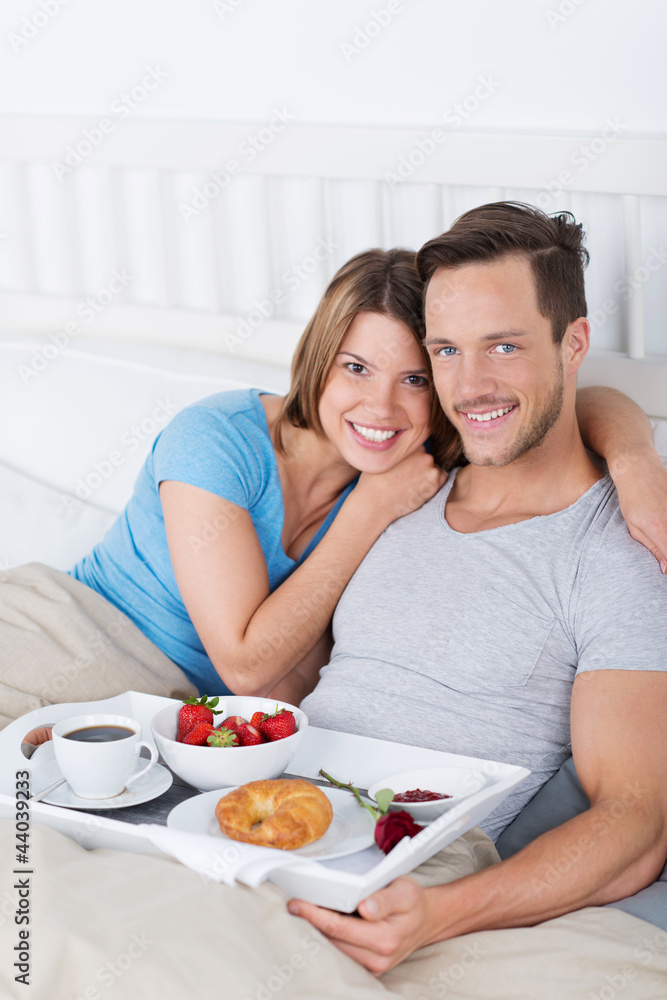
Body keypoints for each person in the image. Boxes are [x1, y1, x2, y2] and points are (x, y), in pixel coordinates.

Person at [1, 245, 664, 728]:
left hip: (152, 714)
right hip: (57, 636)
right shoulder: (217, 440)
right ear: (318, 359)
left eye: (412, 380)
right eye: (355, 367)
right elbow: (245, 666)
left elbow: (565, 401)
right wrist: (368, 513)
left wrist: (635, 462)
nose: (379, 406)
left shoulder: (421, 466)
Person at [288, 202, 667, 973]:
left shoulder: (616, 550)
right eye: (446, 352)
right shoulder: (401, 481)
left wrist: (436, 915)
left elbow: (634, 824)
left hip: (403, 871)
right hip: (262, 821)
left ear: (574, 344)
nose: (471, 385)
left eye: (503, 345)